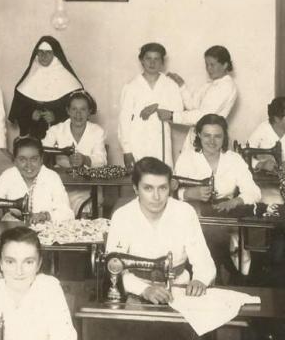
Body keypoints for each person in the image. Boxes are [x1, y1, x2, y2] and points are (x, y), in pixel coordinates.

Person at [106, 157, 215, 302]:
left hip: (179, 289)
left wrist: (199, 280)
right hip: (134, 290)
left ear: (170, 187)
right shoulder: (122, 216)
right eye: (148, 188)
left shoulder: (185, 212)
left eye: (162, 188)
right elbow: (114, 267)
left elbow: (203, 259)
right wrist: (143, 289)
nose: (156, 197)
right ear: (135, 188)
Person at [174, 114, 262, 277]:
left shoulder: (234, 159)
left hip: (223, 214)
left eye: (217, 136)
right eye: (207, 135)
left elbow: (254, 192)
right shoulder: (187, 158)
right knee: (210, 234)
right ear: (199, 135)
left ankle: (221, 274)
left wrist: (235, 201)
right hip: (194, 215)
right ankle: (219, 272)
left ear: (224, 137)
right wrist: (189, 193)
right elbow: (173, 191)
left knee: (223, 234)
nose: (212, 141)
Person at [118, 42, 184, 166]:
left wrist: (156, 106)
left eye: (156, 59)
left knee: (162, 179)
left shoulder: (170, 84)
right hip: (138, 143)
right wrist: (127, 151)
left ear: (162, 62)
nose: (152, 63)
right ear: (142, 60)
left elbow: (178, 111)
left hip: (161, 144)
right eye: (148, 58)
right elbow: (124, 121)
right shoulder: (131, 86)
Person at [43, 90, 107, 215]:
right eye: (74, 109)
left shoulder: (97, 131)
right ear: (68, 111)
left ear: (89, 111)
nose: (78, 114)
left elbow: (102, 160)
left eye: (83, 109)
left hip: (88, 189)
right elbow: (41, 150)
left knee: (85, 211)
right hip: (62, 187)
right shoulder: (56, 130)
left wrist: (85, 159)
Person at [167, 45, 238, 154]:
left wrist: (172, 116)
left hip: (210, 140)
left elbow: (203, 116)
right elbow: (192, 106)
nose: (208, 69)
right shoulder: (210, 84)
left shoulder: (226, 86)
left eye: (212, 65)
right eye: (207, 65)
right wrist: (181, 85)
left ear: (225, 65)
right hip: (197, 137)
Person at [9, 37, 83, 139]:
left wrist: (56, 117)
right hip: (33, 138)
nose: (43, 56)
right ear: (36, 54)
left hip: (60, 138)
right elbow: (18, 111)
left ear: (55, 55)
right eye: (40, 52)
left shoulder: (70, 83)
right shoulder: (30, 77)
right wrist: (31, 114)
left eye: (48, 52)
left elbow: (78, 113)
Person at [0, 136, 73, 224]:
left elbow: (67, 213)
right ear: (15, 161)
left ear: (41, 160)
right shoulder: (8, 176)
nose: (28, 165)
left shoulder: (52, 177)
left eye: (34, 159)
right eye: (22, 159)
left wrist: (45, 216)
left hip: (45, 230)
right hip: (15, 230)